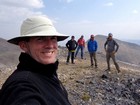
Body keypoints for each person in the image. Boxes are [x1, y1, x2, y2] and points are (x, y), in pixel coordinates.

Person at [0, 15, 71, 105]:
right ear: (24, 46)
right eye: (40, 39)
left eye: (53, 38)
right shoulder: (22, 86)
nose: (50, 45)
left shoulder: (47, 73)